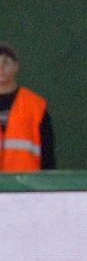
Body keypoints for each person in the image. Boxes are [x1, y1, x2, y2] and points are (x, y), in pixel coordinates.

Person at [0, 43, 55, 171]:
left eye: (6, 63)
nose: (1, 68)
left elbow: (48, 156)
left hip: (26, 187)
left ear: (16, 67)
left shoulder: (35, 105)